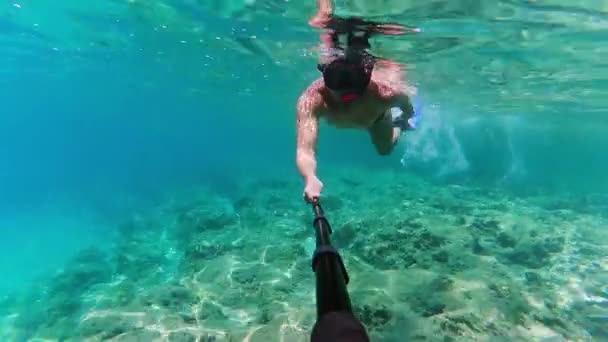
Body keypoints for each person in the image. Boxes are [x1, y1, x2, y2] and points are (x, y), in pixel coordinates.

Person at [296, 0, 422, 202]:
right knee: (326, 24)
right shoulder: (312, 99)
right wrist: (310, 178)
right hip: (371, 115)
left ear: (366, 85)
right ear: (325, 80)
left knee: (385, 149)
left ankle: (396, 123)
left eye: (350, 96)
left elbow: (406, 103)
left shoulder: (385, 94)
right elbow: (305, 149)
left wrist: (407, 118)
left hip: (377, 119)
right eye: (339, 93)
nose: (345, 101)